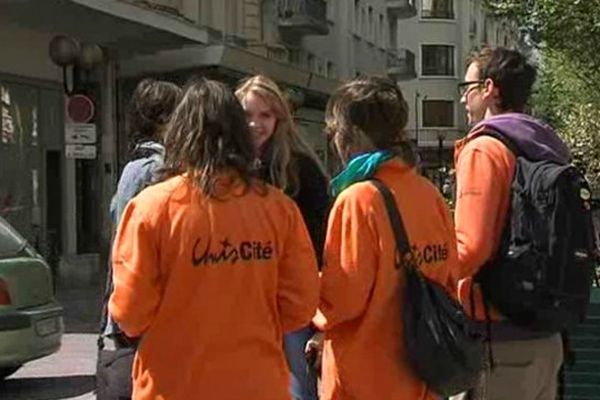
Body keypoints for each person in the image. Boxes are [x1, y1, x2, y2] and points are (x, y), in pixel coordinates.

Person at [108, 78, 320, 400]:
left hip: (173, 384)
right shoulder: (279, 209)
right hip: (258, 383)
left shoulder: (151, 208)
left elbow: (130, 315)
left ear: (179, 133)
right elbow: (300, 306)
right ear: (240, 134)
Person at [313, 76, 459, 400]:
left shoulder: (357, 200)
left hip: (367, 378)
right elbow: (451, 276)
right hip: (423, 377)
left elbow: (343, 301)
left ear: (351, 135)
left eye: (334, 131)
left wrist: (308, 292)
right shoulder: (428, 194)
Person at [452, 46, 569, 400]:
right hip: (547, 338)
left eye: (467, 87)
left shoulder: (485, 148)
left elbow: (469, 248)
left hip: (497, 342)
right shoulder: (548, 146)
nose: (462, 99)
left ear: (489, 88)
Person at [236, 75, 329, 400]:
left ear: (279, 118)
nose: (255, 124)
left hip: (289, 302)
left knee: (295, 391)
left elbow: (319, 243)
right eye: (248, 114)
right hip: (242, 302)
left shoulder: (301, 169)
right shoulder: (230, 168)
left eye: (265, 115)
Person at [96, 78, 181, 400]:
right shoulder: (150, 168)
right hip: (138, 321)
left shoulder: (140, 166)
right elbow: (127, 243)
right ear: (162, 119)